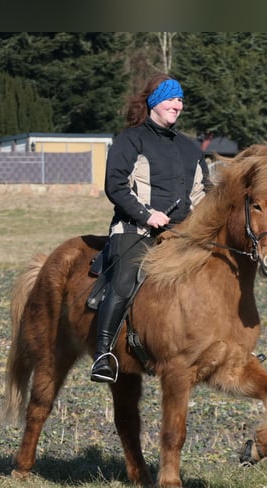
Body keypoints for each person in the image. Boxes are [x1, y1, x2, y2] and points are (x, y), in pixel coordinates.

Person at [90, 73, 212, 383]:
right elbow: (115, 185)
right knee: (125, 277)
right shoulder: (130, 139)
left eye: (181, 99)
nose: (177, 104)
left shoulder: (190, 148)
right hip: (135, 230)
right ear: (155, 102)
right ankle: (104, 353)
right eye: (171, 98)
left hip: (181, 234)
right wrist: (146, 215)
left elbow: (202, 192)